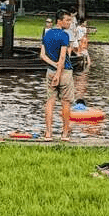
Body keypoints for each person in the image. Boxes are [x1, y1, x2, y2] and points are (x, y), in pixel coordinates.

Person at [40, 9, 74, 141]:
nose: (69, 23)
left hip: (50, 71)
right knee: (66, 103)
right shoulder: (64, 35)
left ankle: (48, 133)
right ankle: (65, 134)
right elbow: (63, 56)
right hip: (64, 72)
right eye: (67, 20)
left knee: (50, 102)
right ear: (59, 21)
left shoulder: (47, 34)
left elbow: (42, 55)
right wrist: (58, 74)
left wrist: (53, 66)